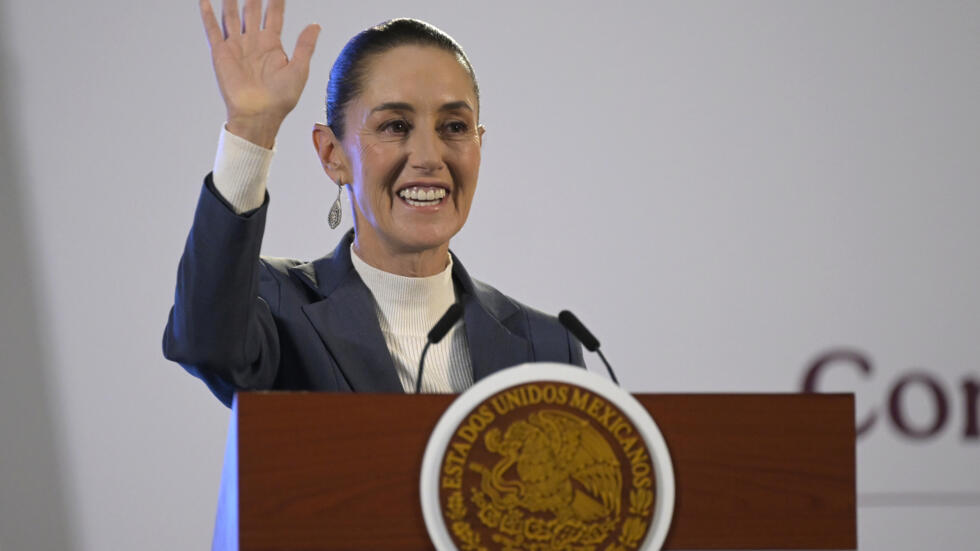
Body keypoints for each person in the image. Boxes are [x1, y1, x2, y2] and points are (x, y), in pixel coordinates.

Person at [163, 0, 584, 406]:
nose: (429, 157)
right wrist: (252, 129)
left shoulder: (548, 347)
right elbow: (206, 343)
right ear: (332, 154)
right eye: (395, 126)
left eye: (454, 126)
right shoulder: (277, 306)